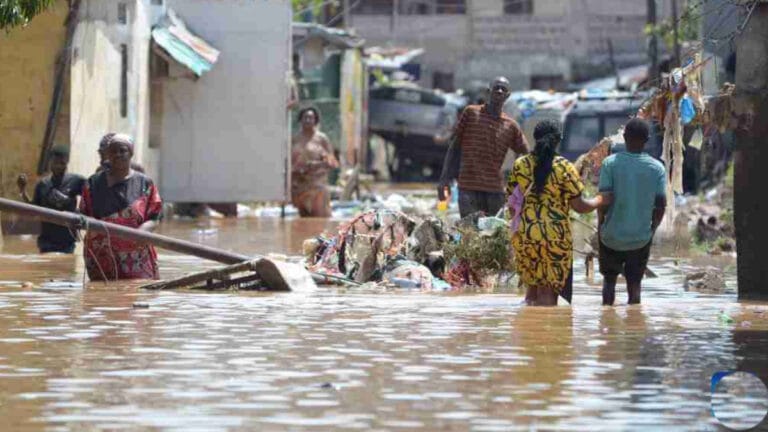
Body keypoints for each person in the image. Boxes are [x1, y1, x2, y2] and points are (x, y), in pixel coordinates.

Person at [509, 121, 603, 306]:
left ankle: (529, 331)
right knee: (548, 295)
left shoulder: (520, 164)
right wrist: (601, 199)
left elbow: (512, 202)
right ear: (559, 140)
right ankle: (545, 332)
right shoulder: (564, 167)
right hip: (555, 237)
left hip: (526, 235)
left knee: (532, 292)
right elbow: (580, 206)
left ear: (535, 139)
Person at [598, 118, 667, 305]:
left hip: (610, 236)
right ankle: (634, 327)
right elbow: (661, 205)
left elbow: (604, 200)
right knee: (635, 286)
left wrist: (600, 226)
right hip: (640, 238)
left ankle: (606, 325)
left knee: (609, 282)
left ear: (625, 137)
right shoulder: (657, 168)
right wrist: (651, 230)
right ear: (647, 140)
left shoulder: (609, 164)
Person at [438, 77, 529, 217]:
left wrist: (517, 183)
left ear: (507, 96)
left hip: (495, 191)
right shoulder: (471, 113)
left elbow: (525, 153)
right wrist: (444, 179)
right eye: (496, 87)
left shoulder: (511, 126)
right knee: (469, 232)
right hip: (468, 187)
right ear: (489, 91)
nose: (499, 91)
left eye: (503, 89)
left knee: (492, 232)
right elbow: (454, 147)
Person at [80, 134, 163, 280]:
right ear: (107, 155)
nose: (118, 155)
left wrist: (144, 230)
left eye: (122, 151)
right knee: (101, 296)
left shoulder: (145, 183)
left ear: (131, 153)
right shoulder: (93, 183)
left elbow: (155, 217)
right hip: (101, 255)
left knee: (138, 293)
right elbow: (84, 214)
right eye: (113, 151)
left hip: (136, 256)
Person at [16, 146, 85, 253]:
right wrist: (23, 191)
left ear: (66, 162)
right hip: (46, 242)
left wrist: (79, 212)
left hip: (67, 242)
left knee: (66, 268)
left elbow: (91, 198)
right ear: (50, 163)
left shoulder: (77, 181)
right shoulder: (43, 184)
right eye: (55, 162)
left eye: (61, 163)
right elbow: (33, 209)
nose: (58, 166)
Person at [291, 107, 339, 217]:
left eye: (311, 118)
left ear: (315, 121)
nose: (308, 120)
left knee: (320, 221)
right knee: (303, 224)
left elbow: (332, 163)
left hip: (317, 186)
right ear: (300, 120)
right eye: (305, 118)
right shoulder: (295, 139)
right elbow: (290, 163)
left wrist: (315, 165)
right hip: (299, 186)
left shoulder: (322, 139)